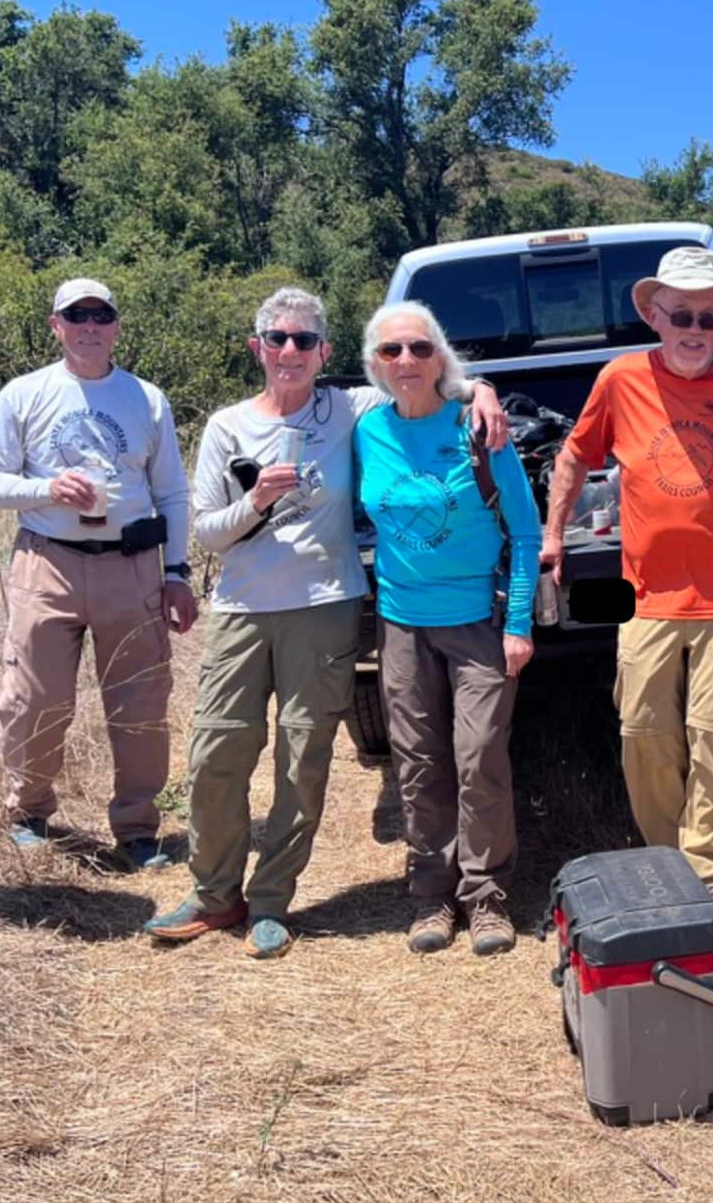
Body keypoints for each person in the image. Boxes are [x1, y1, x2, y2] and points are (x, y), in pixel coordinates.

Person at [146, 288, 501, 956]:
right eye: (276, 338)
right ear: (256, 347)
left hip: (325, 606)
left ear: (325, 353)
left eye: (304, 341)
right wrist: (255, 499)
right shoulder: (227, 425)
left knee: (300, 759)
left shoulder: (349, 408)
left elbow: (420, 378)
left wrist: (476, 388)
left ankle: (272, 901)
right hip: (243, 610)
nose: (289, 351)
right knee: (215, 754)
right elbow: (208, 533)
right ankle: (215, 893)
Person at [541, 246, 713, 935]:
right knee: (642, 731)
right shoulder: (620, 378)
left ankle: (711, 873)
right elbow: (572, 454)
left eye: (708, 318)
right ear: (655, 315)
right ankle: (666, 859)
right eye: (680, 314)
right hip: (646, 596)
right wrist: (552, 534)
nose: (693, 328)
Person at [0, 278, 198, 868]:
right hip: (48, 560)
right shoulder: (24, 394)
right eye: (77, 316)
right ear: (56, 325)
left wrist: (176, 572)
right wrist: (47, 487)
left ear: (117, 327)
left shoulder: (146, 399)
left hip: (132, 566)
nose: (89, 327)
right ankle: (29, 812)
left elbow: (172, 491)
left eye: (102, 316)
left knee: (141, 703)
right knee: (34, 699)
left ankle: (138, 827)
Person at [354, 303, 540, 957]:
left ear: (440, 355)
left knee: (479, 759)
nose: (404, 361)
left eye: (417, 348)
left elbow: (524, 530)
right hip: (400, 624)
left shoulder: (476, 428)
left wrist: (516, 623)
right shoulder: (365, 429)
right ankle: (431, 895)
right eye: (389, 351)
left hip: (475, 623)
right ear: (374, 363)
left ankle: (485, 897)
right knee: (416, 764)